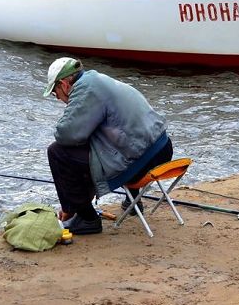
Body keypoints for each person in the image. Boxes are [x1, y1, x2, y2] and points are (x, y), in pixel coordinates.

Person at [44, 57, 173, 235]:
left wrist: (69, 203)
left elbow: (66, 134)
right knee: (104, 142)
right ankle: (133, 202)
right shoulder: (99, 80)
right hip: (162, 149)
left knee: (57, 152)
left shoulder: (86, 89)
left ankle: (87, 218)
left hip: (143, 162)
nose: (58, 98)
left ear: (64, 84)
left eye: (55, 92)